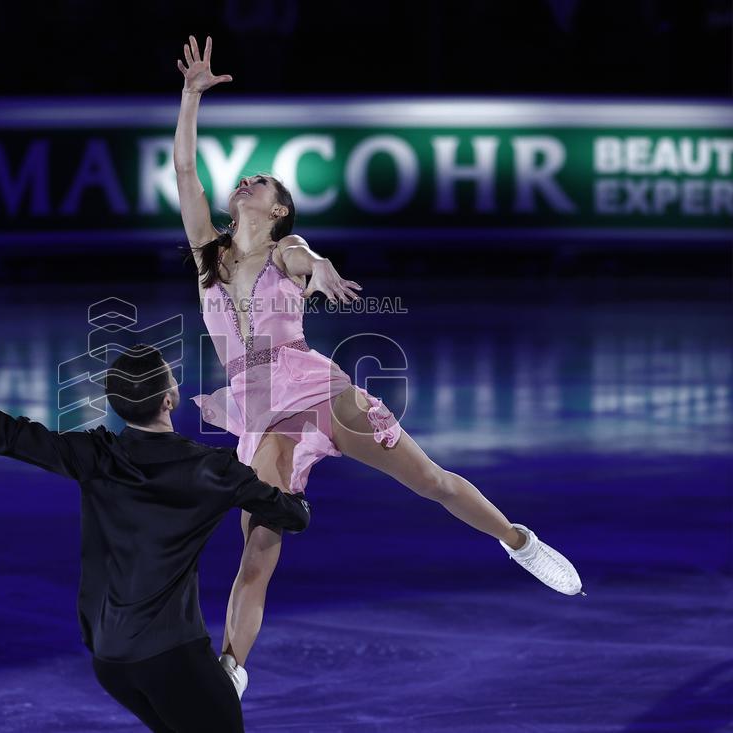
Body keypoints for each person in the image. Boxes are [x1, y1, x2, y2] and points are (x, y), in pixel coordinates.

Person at [173, 34, 584, 698]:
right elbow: (186, 171)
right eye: (246, 179)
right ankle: (230, 668)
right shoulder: (208, 255)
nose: (247, 180)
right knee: (260, 546)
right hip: (259, 413)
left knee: (432, 480)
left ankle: (518, 540)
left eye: (264, 183)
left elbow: (307, 258)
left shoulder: (287, 249)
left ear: (277, 211)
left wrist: (323, 266)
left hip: (313, 385)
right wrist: (190, 96)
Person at [0, 344, 311, 732]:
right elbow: (290, 515)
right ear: (169, 399)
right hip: (172, 659)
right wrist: (290, 484)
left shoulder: (94, 456)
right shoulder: (212, 470)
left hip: (111, 662)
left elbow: (10, 435)